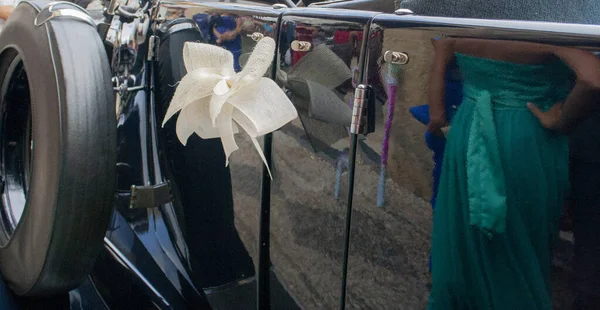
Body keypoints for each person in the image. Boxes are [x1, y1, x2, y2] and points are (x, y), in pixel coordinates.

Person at [425, 37, 600, 309]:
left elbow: (439, 76)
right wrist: (562, 120)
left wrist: (438, 115)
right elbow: (592, 78)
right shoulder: (543, 25)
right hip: (524, 134)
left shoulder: (462, 15)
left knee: (464, 233)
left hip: (468, 128)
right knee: (520, 238)